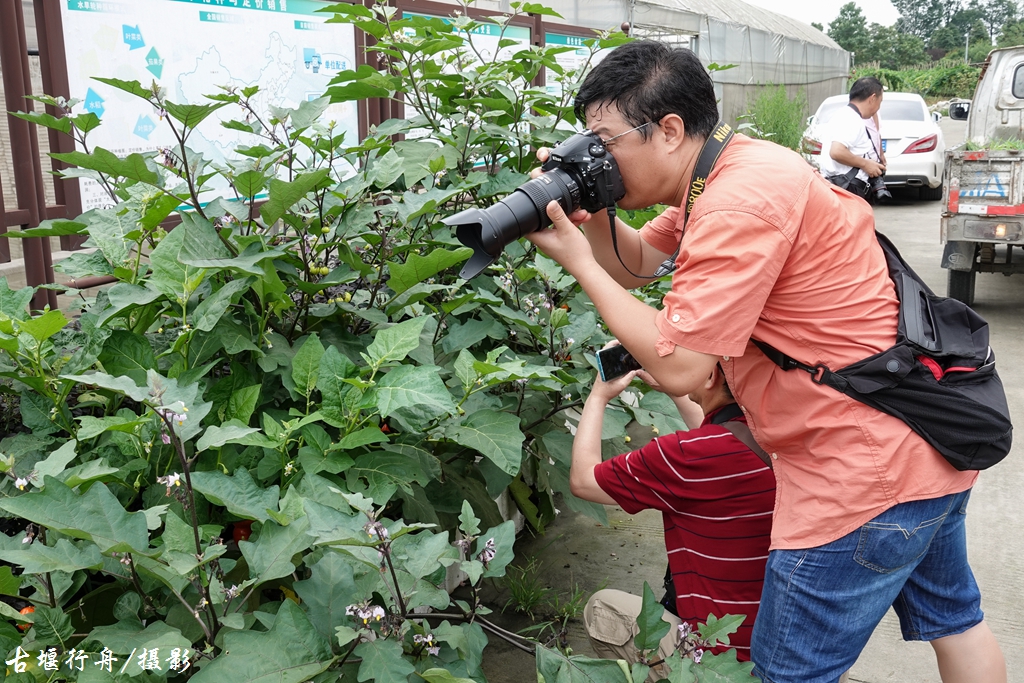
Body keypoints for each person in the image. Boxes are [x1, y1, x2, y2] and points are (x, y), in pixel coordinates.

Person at [526, 40, 1005, 683]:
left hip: (857, 478)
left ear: (668, 130)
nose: (596, 155)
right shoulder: (735, 169)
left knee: (783, 674)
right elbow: (636, 262)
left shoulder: (736, 204)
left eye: (605, 143)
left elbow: (683, 370)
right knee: (956, 624)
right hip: (926, 449)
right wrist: (592, 206)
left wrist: (578, 264)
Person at [571, 356, 774, 671]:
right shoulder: (777, 432)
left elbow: (584, 481)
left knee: (602, 610)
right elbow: (725, 438)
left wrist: (598, 396)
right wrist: (679, 388)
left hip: (724, 663)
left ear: (709, 376)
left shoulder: (683, 456)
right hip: (787, 647)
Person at [818, 77, 887, 198]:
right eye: (880, 102)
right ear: (872, 98)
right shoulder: (851, 119)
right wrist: (866, 164)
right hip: (847, 189)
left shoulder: (845, 114)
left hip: (839, 186)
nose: (878, 108)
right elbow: (837, 152)